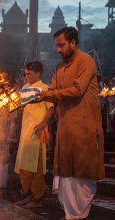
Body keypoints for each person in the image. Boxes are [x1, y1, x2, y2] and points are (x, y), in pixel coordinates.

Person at [38, 27, 105, 220]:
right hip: (65, 129)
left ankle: (78, 215)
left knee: (82, 174)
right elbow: (52, 92)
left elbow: (76, 90)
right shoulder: (59, 68)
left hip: (84, 128)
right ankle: (71, 215)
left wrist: (48, 94)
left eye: (61, 45)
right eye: (56, 46)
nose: (58, 50)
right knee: (67, 175)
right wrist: (34, 98)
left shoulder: (86, 61)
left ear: (73, 42)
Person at [14, 61, 54, 208]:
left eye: (30, 73)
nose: (27, 76)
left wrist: (44, 123)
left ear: (38, 73)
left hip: (37, 132)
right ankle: (28, 194)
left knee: (35, 166)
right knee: (24, 166)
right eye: (26, 73)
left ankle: (38, 197)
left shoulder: (45, 88)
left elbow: (51, 109)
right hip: (26, 132)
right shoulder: (26, 89)